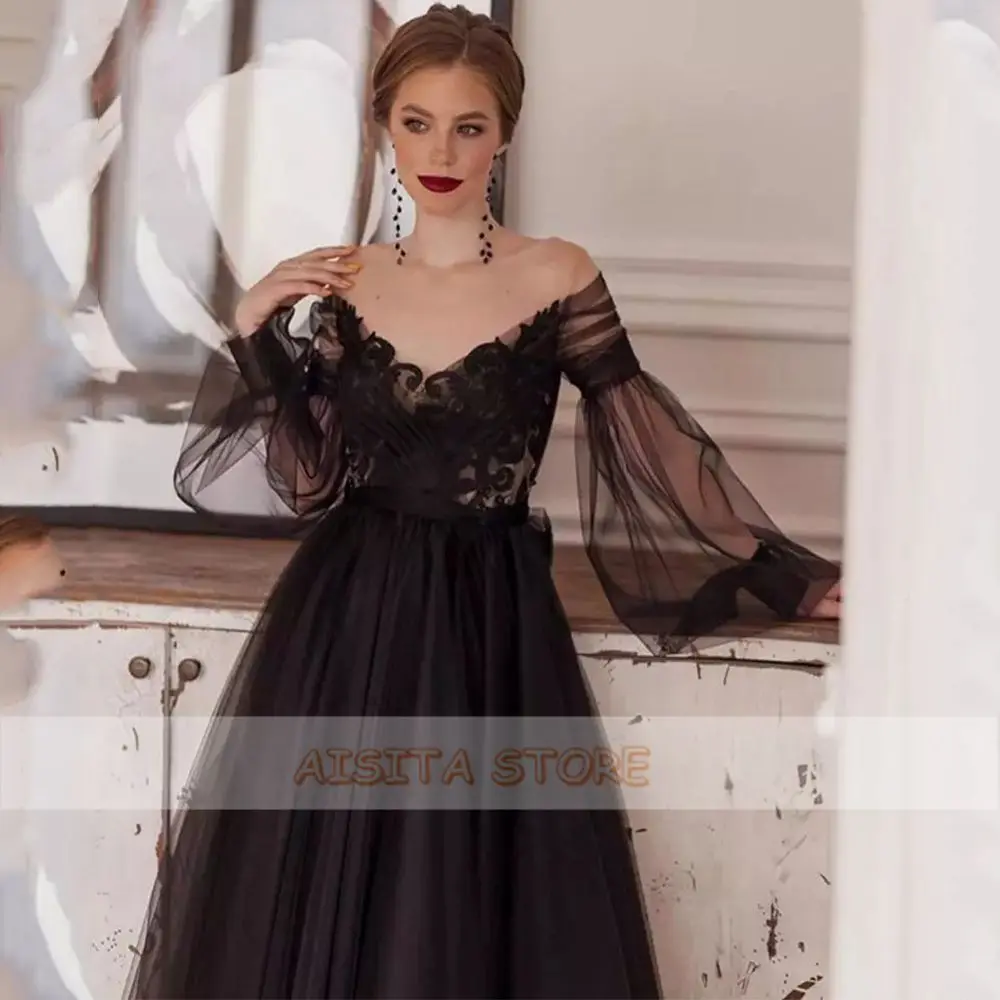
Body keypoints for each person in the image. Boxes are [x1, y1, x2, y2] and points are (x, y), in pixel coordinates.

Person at [122, 5, 842, 998]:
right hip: (347, 621)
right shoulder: (347, 283)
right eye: (416, 123)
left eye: (468, 126)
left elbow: (647, 438)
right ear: (383, 126)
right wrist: (256, 332)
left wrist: (783, 572)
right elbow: (310, 482)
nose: (440, 152)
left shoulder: (557, 274)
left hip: (489, 620)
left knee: (472, 890)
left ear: (504, 133)